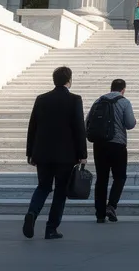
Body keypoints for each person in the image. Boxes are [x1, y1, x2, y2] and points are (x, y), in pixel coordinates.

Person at [23, 66, 87, 240]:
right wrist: (83, 153)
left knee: (43, 186)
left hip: (42, 153)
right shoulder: (75, 100)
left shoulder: (41, 99)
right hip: (66, 156)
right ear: (69, 80)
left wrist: (30, 152)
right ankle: (51, 228)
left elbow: (32, 127)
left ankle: (32, 213)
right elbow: (79, 128)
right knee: (60, 191)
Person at [89, 78, 136, 224]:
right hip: (117, 144)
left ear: (111, 88)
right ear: (123, 90)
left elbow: (87, 122)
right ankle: (112, 205)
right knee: (120, 177)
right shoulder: (124, 102)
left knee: (101, 179)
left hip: (99, 144)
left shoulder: (98, 101)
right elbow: (130, 124)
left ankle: (100, 214)